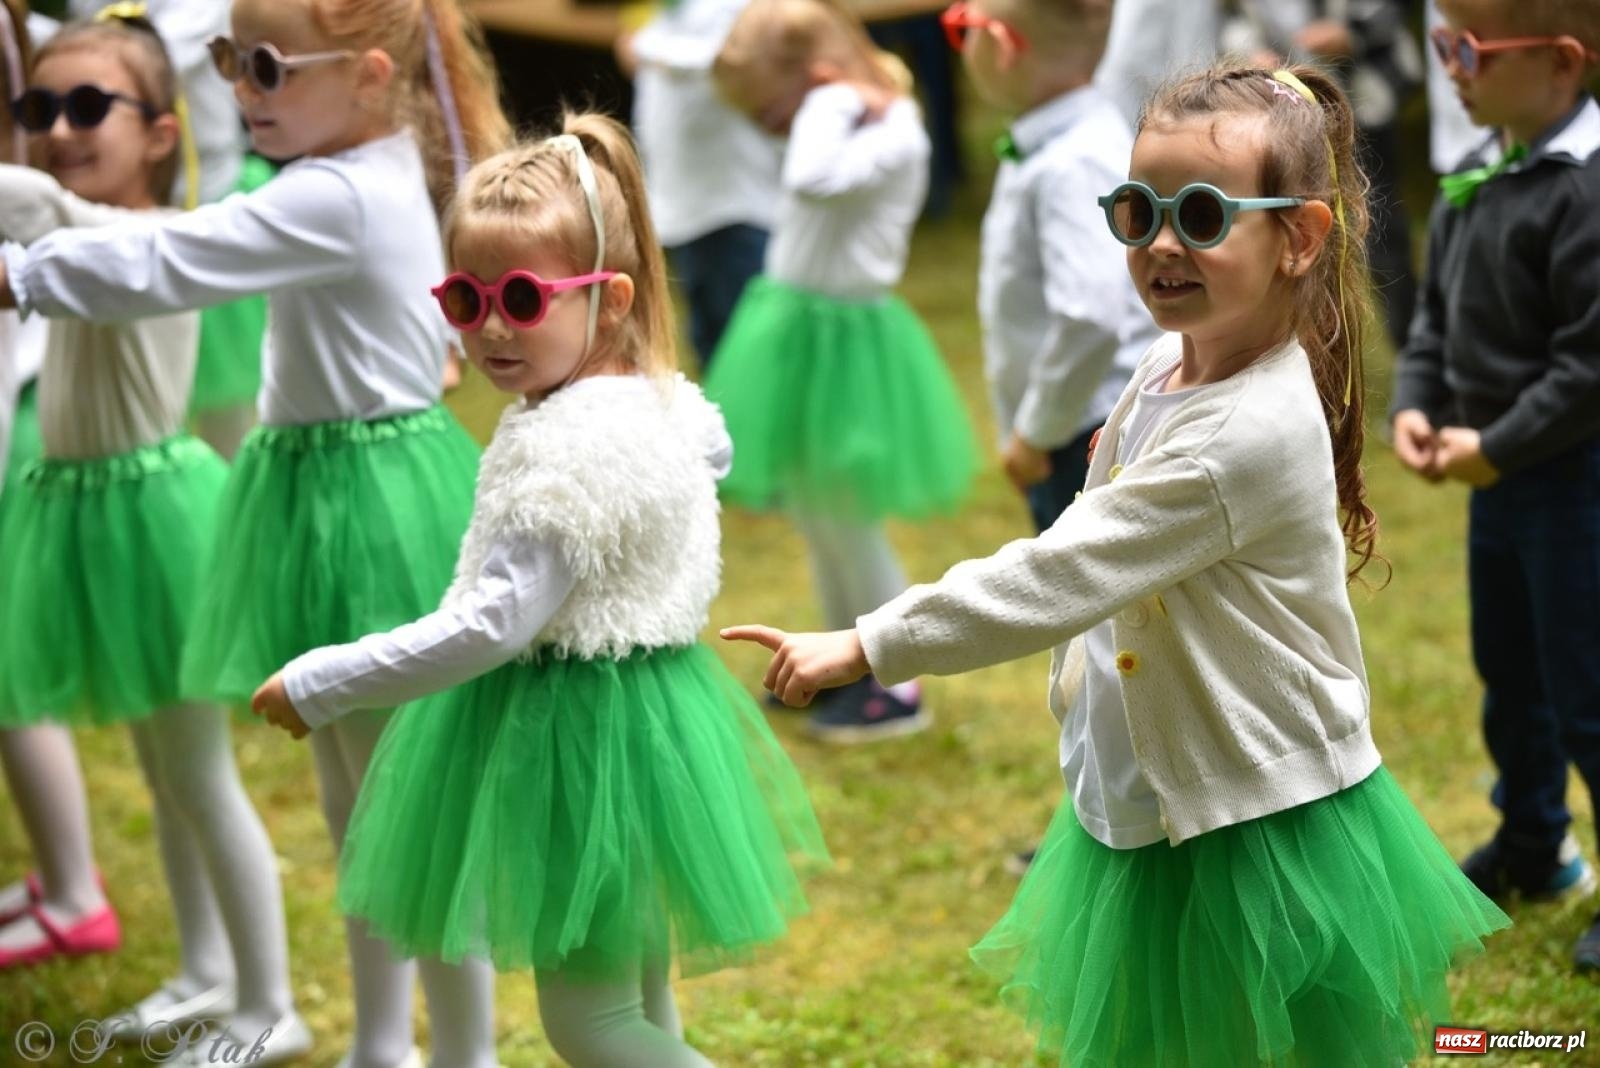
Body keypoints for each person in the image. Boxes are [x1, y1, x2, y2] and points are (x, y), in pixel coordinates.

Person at [728, 63, 1508, 1067]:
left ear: (1299, 237)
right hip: (1160, 798)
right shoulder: (1164, 362)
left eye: (1199, 214)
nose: (1160, 244)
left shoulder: (1242, 435)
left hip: (1254, 817)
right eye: (1138, 211)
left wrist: (867, 641)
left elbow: (1061, 573)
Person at [252, 116, 828, 1068]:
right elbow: (702, 457)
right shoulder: (661, 403)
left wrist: (329, 678)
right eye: (464, 296)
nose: (489, 326)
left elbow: (491, 623)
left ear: (608, 300)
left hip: (581, 740)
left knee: (590, 1023)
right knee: (638, 992)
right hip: (655, 728)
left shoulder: (564, 452)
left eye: (522, 295)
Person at [0, 0, 511, 1062]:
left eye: (267, 66)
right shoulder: (344, 177)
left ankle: (462, 1054)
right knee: (354, 805)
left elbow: (172, 259)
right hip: (323, 486)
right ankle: (383, 1043)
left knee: (402, 810)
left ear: (369, 76)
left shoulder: (337, 192)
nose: (240, 89)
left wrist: (23, 270)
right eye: (232, 60)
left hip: (370, 501)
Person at [1391, 0, 1600, 971]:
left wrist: (1499, 444)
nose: (1451, 71)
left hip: (1574, 489)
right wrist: (1418, 400)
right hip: (1498, 484)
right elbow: (1432, 313)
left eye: (1468, 50)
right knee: (1507, 670)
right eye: (1440, 49)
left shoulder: (1582, 189)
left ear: (1562, 62)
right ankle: (1531, 842)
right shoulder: (1481, 170)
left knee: (1587, 689)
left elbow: (1587, 366)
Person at [706, 0, 979, 742]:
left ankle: (898, 681)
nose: (773, 128)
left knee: (849, 519)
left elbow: (813, 178)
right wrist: (825, 103)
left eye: (772, 109)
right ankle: (835, 659)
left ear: (819, 75)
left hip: (849, 344)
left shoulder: (889, 127)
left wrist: (828, 100)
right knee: (814, 512)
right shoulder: (849, 120)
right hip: (796, 328)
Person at [619, 0, 779, 369]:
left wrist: (644, 47)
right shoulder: (664, 15)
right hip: (684, 215)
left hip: (733, 211)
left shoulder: (733, 9)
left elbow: (726, 59)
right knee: (709, 344)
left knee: (748, 346)